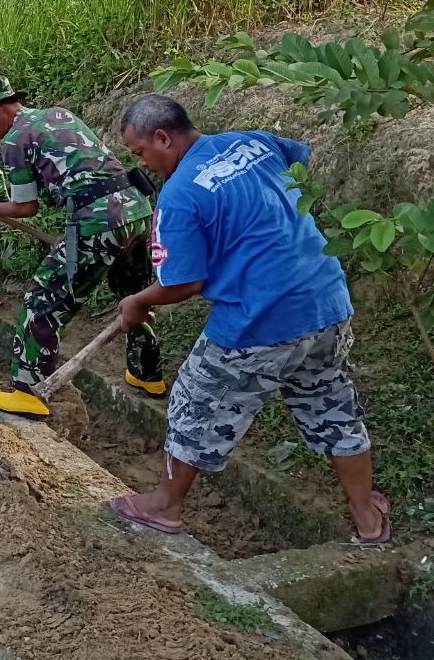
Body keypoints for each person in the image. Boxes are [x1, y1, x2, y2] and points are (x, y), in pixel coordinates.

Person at [111, 94, 388, 544]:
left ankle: (165, 505)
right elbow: (300, 161)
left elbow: (184, 283)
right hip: (325, 302)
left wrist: (139, 302)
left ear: (163, 136)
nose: (144, 162)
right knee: (332, 407)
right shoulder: (254, 142)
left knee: (194, 402)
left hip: (259, 319)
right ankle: (367, 518)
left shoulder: (180, 195)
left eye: (141, 151)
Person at [0, 75, 164, 417]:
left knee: (42, 302)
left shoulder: (14, 139)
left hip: (96, 222)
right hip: (136, 211)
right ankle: (147, 375)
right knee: (134, 297)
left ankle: (27, 391)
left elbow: (26, 207)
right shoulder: (58, 115)